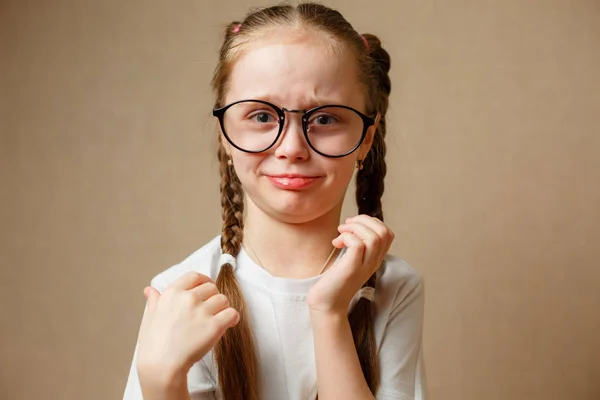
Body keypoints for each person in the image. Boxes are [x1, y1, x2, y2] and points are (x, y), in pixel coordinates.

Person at [123, 2, 426, 399]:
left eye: (325, 118)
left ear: (366, 138)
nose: (292, 148)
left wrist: (329, 312)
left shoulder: (393, 288)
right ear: (224, 134)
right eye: (262, 116)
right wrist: (161, 382)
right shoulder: (181, 295)